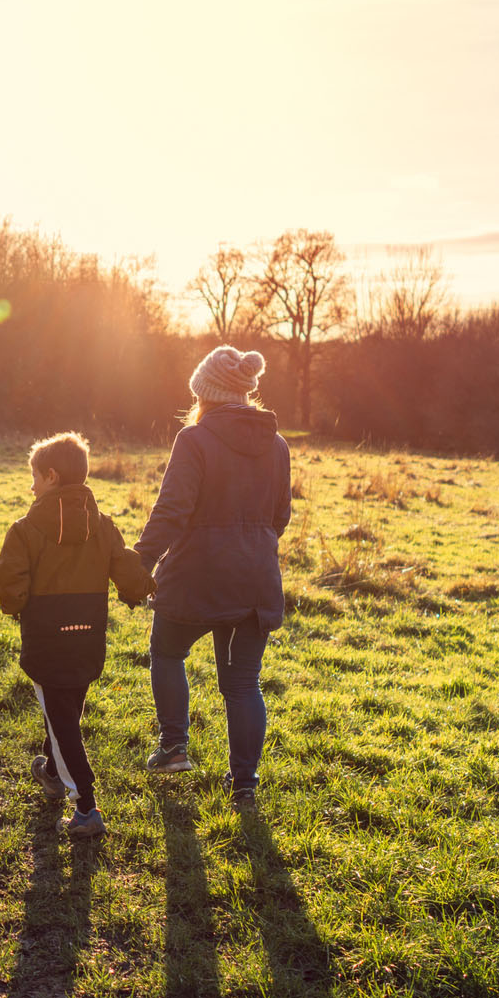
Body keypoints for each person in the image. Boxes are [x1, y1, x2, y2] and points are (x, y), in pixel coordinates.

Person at [133, 346, 292, 814]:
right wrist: (250, 546)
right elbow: (280, 517)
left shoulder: (194, 439)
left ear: (204, 393)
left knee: (167, 652)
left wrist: (141, 562)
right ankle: (244, 786)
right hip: (256, 580)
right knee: (243, 683)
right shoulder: (277, 445)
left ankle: (174, 747)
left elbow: (172, 510)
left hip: (196, 577)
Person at [0, 432, 155, 838]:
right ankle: (51, 773)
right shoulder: (103, 526)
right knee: (66, 711)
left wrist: (15, 604)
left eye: (34, 477)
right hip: (88, 636)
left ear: (51, 476)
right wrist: (144, 588)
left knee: (62, 721)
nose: (31, 487)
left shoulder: (25, 530)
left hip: (46, 638)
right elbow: (127, 570)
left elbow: (11, 584)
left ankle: (85, 806)